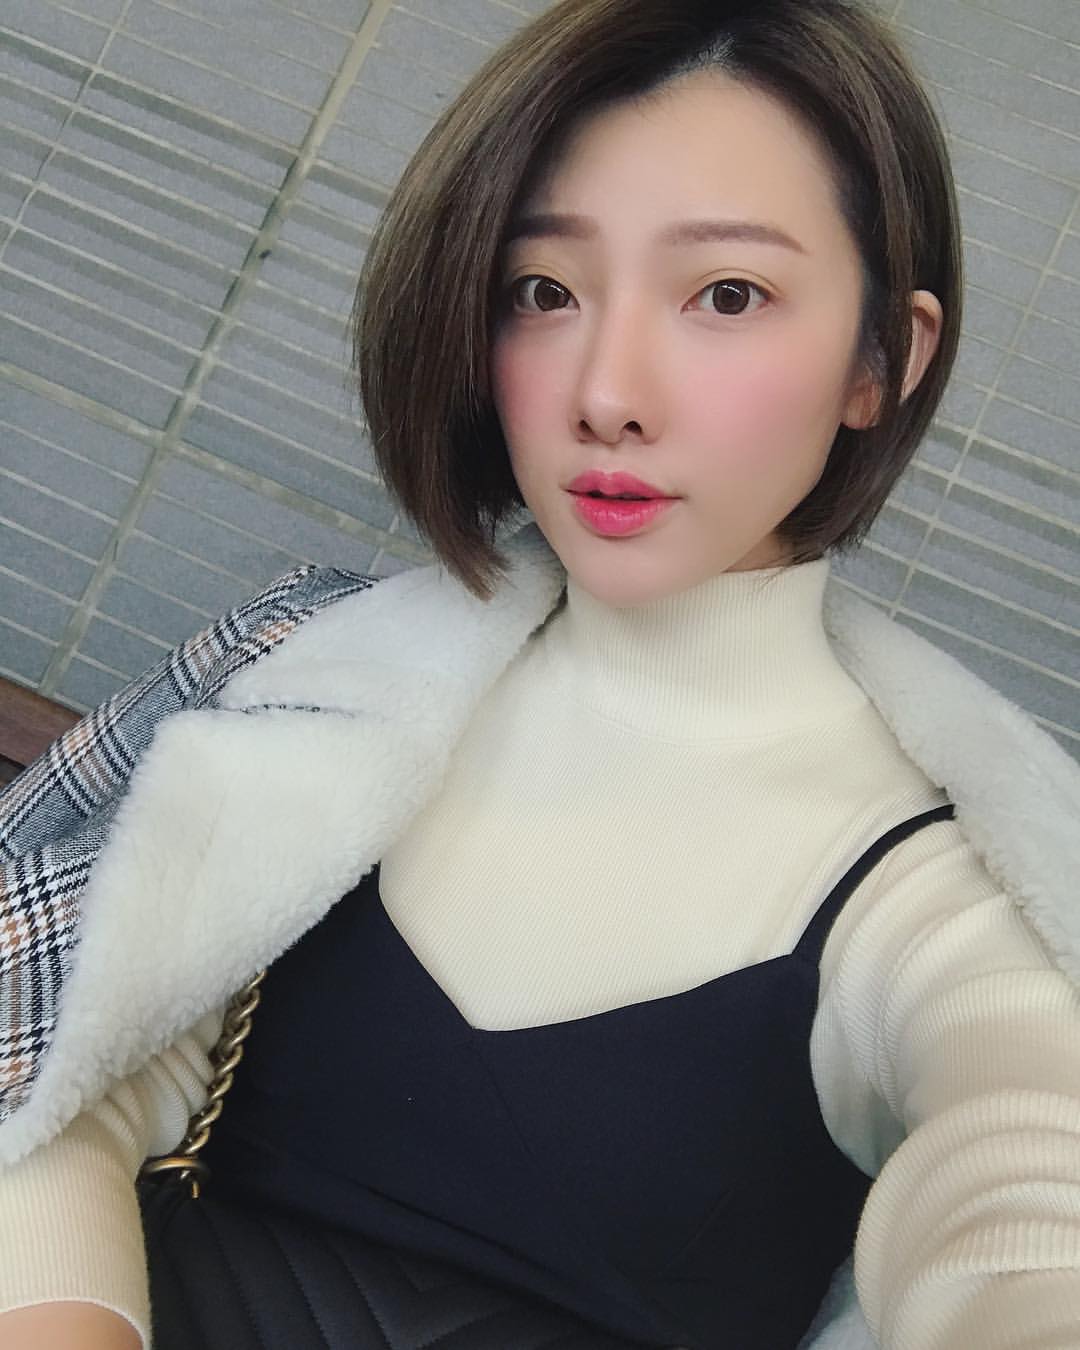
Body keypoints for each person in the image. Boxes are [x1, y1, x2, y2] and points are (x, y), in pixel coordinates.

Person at [1, 1, 1078, 1347]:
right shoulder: (311, 673)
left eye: (727, 295)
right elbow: (56, 1074)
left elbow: (1026, 1205)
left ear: (883, 361)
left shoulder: (941, 903)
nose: (606, 393)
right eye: (546, 292)